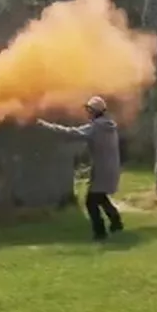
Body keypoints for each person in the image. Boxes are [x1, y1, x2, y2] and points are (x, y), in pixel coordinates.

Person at [37, 96, 124, 241]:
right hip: (111, 168)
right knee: (100, 197)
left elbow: (72, 133)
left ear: (94, 111)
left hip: (102, 170)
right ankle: (116, 223)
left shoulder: (97, 127)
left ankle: (100, 232)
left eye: (89, 110)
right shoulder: (109, 125)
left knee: (91, 202)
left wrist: (45, 126)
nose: (87, 113)